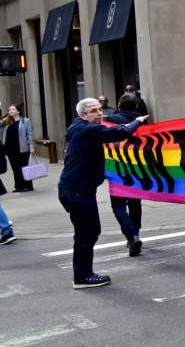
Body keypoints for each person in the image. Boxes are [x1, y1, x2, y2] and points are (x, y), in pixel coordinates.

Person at [59, 97, 147, 289]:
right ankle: (82, 277)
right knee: (87, 233)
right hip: (77, 192)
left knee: (87, 232)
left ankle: (82, 274)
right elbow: (121, 132)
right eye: (93, 111)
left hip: (75, 190)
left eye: (100, 110)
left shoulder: (78, 127)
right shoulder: (87, 130)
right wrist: (138, 121)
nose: (99, 114)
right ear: (83, 115)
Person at [105, 96, 145, 256]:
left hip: (118, 168)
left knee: (118, 206)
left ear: (119, 104)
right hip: (137, 168)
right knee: (135, 203)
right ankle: (135, 233)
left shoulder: (111, 119)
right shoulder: (141, 121)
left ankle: (131, 236)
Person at [3, 104, 35, 192]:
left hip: (22, 148)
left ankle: (27, 186)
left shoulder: (26, 121)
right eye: (9, 110)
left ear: (18, 111)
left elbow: (29, 134)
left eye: (13, 109)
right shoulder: (8, 122)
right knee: (15, 168)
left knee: (24, 167)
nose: (10, 111)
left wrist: (31, 146)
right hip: (10, 149)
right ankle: (19, 186)